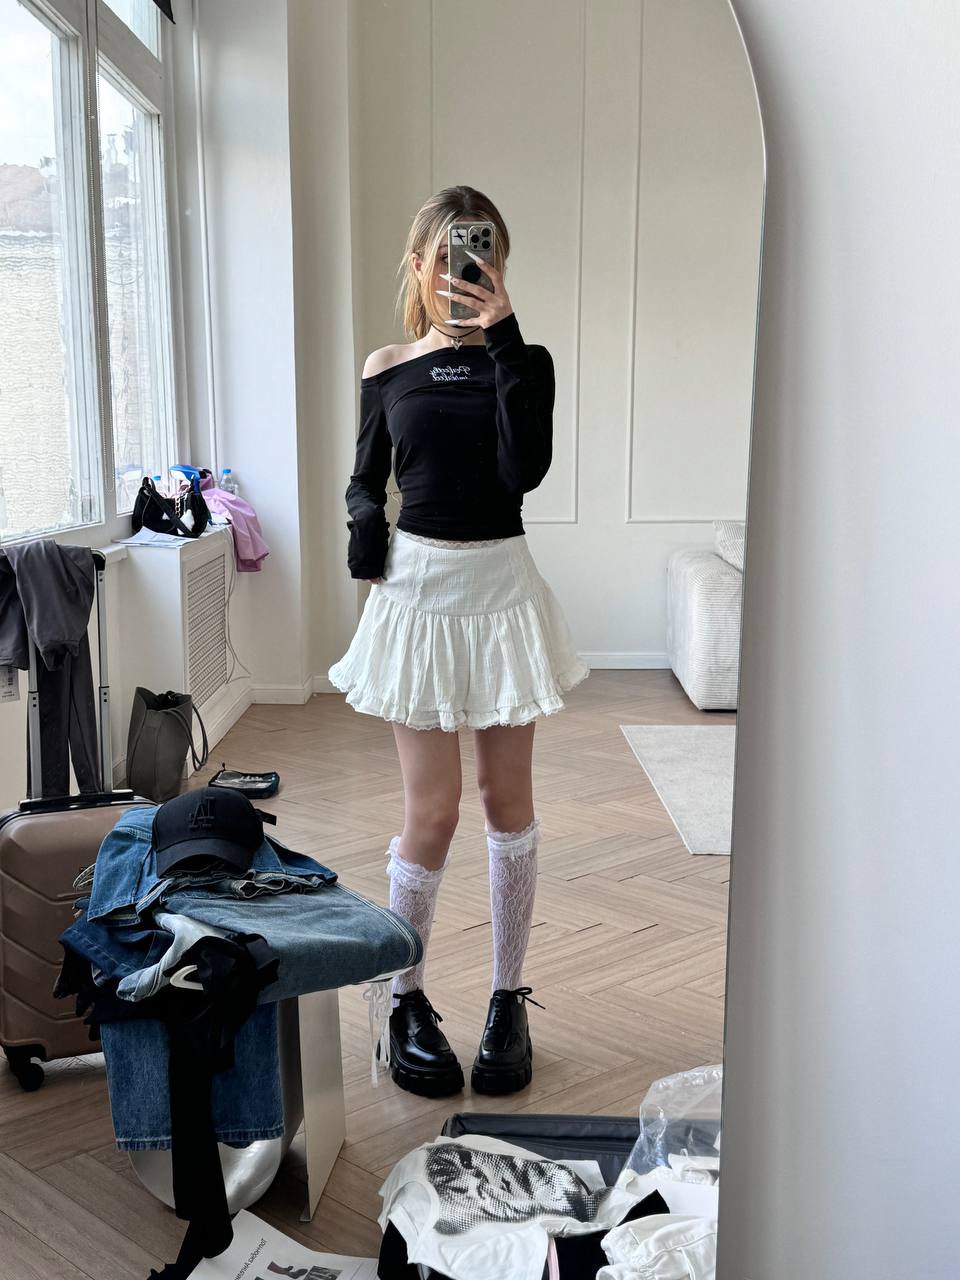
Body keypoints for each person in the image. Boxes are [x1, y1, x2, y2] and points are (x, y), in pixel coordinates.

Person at [328, 186, 589, 1098]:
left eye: (480, 256)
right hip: (419, 594)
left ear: (500, 267)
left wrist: (505, 336)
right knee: (431, 814)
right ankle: (404, 998)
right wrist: (365, 536)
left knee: (507, 805)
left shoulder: (528, 362)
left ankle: (508, 998)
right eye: (446, 257)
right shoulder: (387, 366)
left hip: (503, 589)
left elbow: (527, 469)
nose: (463, 273)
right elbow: (365, 479)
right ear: (417, 266)